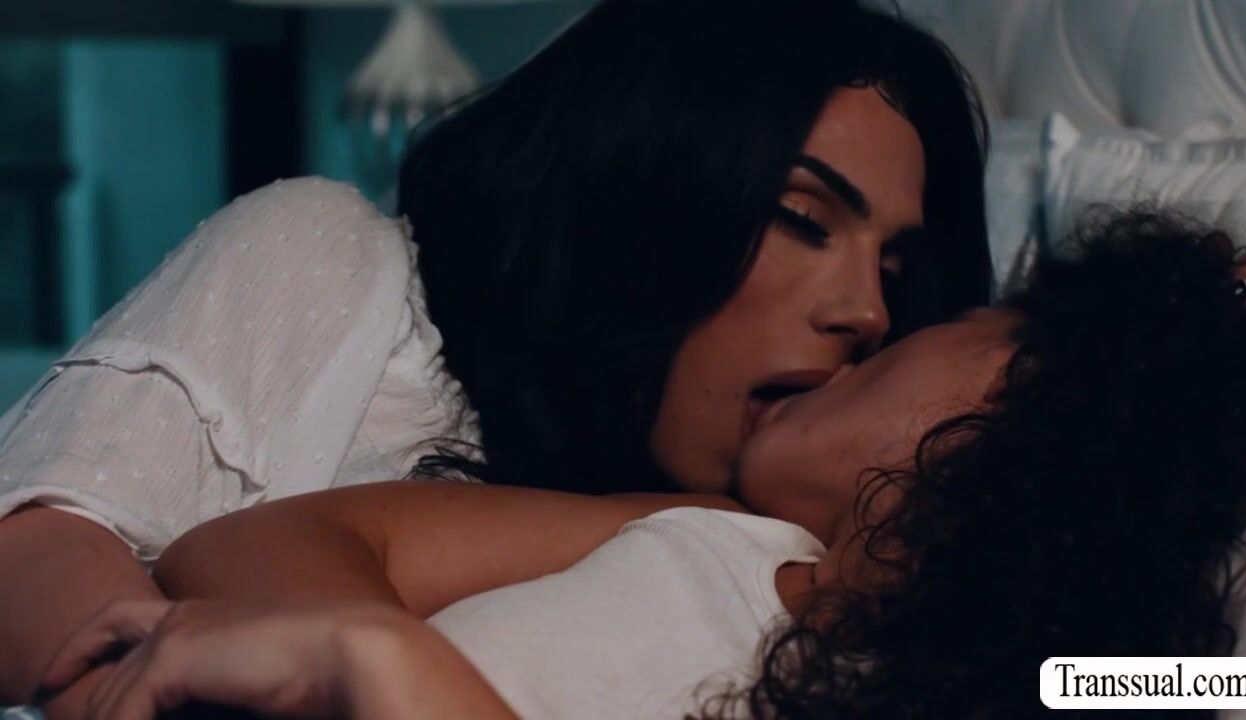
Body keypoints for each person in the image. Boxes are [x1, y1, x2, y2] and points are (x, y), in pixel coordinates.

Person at [0, 1, 994, 713]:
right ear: (650, 184)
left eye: (896, 273)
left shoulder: (785, 560)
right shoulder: (343, 266)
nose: (867, 311)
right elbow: (35, 536)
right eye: (802, 220)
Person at [40, 212, 1246, 719]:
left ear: (1029, 405)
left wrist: (375, 667)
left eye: (948, 322)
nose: (865, 334)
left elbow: (1227, 687)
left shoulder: (1039, 689)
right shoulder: (712, 535)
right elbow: (246, 546)